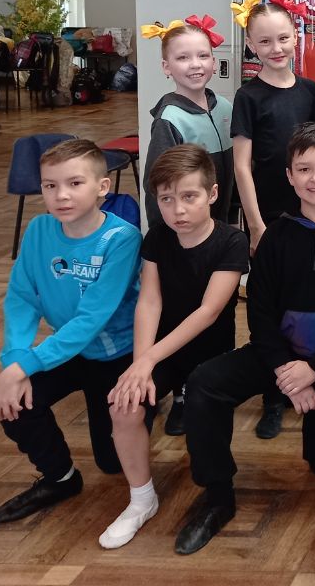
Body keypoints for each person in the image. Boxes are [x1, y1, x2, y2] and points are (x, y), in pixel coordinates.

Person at [176, 123, 315, 555]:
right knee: (204, 384)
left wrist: (314, 370)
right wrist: (285, 371)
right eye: (304, 169)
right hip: (281, 358)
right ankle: (217, 496)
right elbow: (259, 311)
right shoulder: (276, 235)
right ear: (290, 176)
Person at [0, 138, 141, 524]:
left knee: (111, 462)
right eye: (50, 185)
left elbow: (91, 319)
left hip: (116, 357)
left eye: (74, 183)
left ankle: (149, 401)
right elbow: (21, 298)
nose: (61, 195)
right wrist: (15, 361)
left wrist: (24, 366)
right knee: (15, 405)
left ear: (102, 187)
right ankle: (61, 478)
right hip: (69, 352)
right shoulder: (39, 229)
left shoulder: (122, 239)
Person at [101, 145, 248, 548]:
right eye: (166, 199)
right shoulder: (159, 237)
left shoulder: (231, 241)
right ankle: (141, 499)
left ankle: (217, 495)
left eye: (189, 196)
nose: (178, 209)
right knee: (123, 406)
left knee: (204, 418)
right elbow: (150, 301)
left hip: (209, 356)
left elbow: (208, 312)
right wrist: (140, 366)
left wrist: (148, 358)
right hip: (163, 351)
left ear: (212, 194)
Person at [230, 0, 315, 439]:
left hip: (309, 218)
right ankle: (272, 392)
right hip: (267, 218)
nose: (276, 48)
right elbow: (242, 165)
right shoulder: (248, 96)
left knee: (305, 302)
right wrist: (256, 224)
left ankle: (305, 377)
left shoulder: (311, 92)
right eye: (264, 41)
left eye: (283, 38)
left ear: (295, 36)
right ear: (251, 44)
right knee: (270, 305)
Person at [141, 15, 234, 226]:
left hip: (222, 226)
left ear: (214, 62)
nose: (195, 64)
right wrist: (162, 236)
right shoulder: (169, 120)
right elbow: (157, 184)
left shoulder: (225, 108)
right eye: (183, 58)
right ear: (166, 67)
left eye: (203, 55)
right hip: (186, 230)